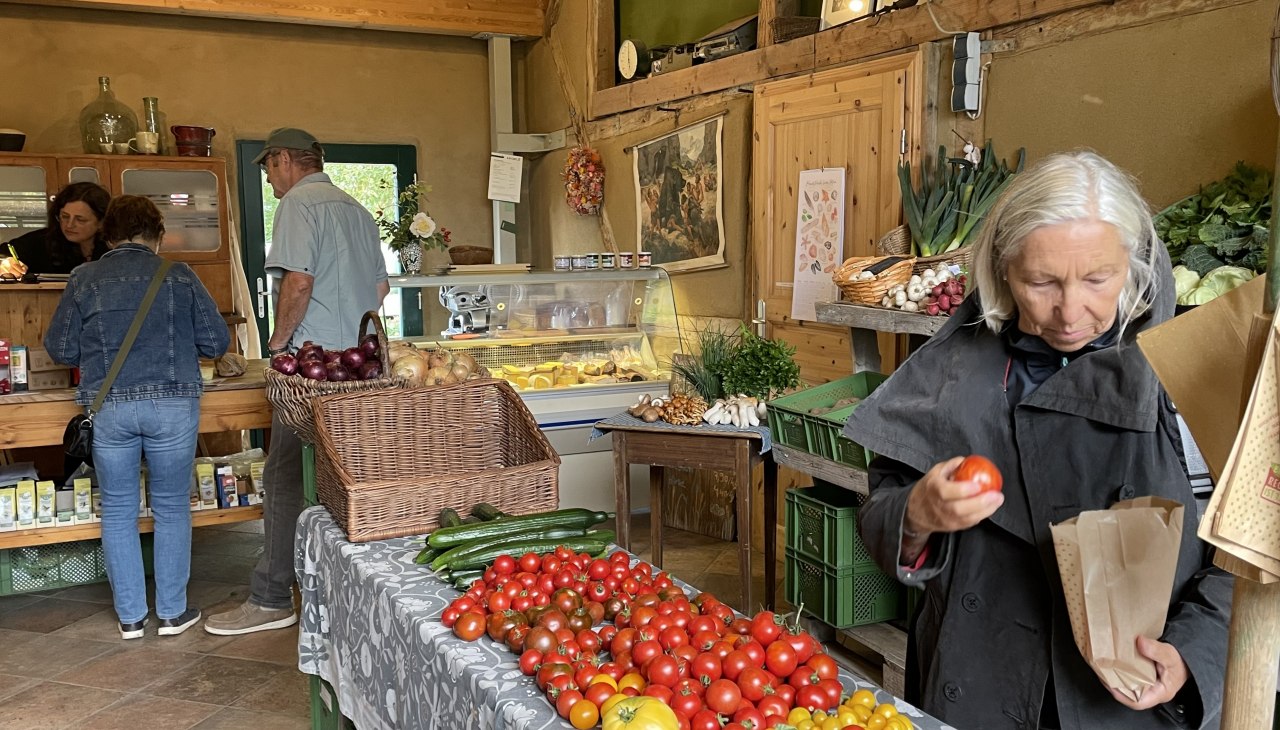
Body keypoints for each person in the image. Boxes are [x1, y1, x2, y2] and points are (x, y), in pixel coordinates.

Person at [845, 151, 1232, 730]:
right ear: (1003, 272)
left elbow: (1246, 552)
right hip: (977, 684)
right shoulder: (949, 372)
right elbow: (882, 511)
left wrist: (1194, 654)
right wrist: (916, 514)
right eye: (1042, 282)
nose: (1071, 310)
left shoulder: (1189, 376)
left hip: (1125, 701)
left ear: (1137, 264)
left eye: (1099, 279)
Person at [204, 128, 388, 636]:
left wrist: (281, 345)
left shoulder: (299, 205)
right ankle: (345, 591)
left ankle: (270, 598)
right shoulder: (355, 208)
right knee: (344, 478)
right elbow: (379, 287)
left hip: (311, 372)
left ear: (285, 159)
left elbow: (298, 282)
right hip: (361, 365)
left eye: (268, 168)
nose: (268, 178)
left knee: (284, 476)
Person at [45, 195, 229, 640]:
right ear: (157, 234)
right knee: (170, 508)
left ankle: (130, 617)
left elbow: (61, 349)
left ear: (107, 235)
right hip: (171, 405)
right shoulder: (178, 275)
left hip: (109, 408)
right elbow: (216, 342)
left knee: (119, 511)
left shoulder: (83, 278)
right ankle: (171, 613)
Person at [9, 181, 112, 274]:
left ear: (101, 222)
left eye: (80, 219)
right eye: (65, 216)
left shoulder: (114, 247)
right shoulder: (39, 241)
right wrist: (5, 262)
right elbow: (5, 253)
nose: (69, 225)